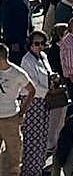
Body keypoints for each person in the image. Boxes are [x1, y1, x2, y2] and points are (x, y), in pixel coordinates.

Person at [20, 31, 52, 176]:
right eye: (36, 44)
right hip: (32, 102)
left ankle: (39, 168)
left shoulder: (43, 57)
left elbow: (48, 74)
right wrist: (47, 91)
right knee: (32, 138)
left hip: (45, 101)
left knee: (43, 136)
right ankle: (30, 171)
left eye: (42, 43)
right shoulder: (27, 60)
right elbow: (31, 84)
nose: (39, 46)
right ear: (30, 44)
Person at [0, 43, 32, 176]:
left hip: (10, 117)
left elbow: (32, 90)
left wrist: (22, 111)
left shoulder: (17, 73)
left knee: (14, 154)